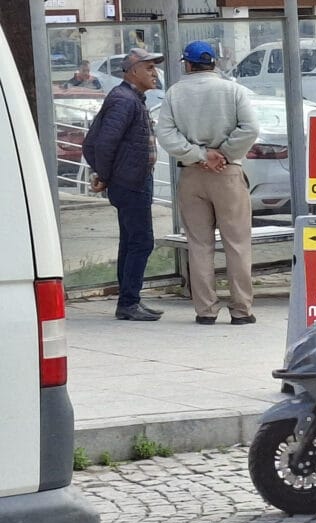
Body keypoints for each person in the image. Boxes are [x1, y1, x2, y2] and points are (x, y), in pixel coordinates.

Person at [155, 41, 259, 326]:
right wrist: (223, 154)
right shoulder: (233, 90)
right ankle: (241, 310)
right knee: (237, 243)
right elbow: (251, 128)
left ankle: (206, 310)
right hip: (228, 173)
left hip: (192, 173)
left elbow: (165, 134)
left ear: (187, 64)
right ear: (213, 62)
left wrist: (200, 156)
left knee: (199, 244)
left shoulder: (175, 93)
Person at [82, 48, 165, 322]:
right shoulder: (124, 100)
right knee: (141, 241)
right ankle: (129, 302)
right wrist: (105, 176)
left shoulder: (131, 98)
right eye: (149, 68)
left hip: (134, 179)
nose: (155, 73)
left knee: (131, 241)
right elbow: (103, 143)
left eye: (155, 68)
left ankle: (129, 300)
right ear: (133, 72)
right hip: (131, 182)